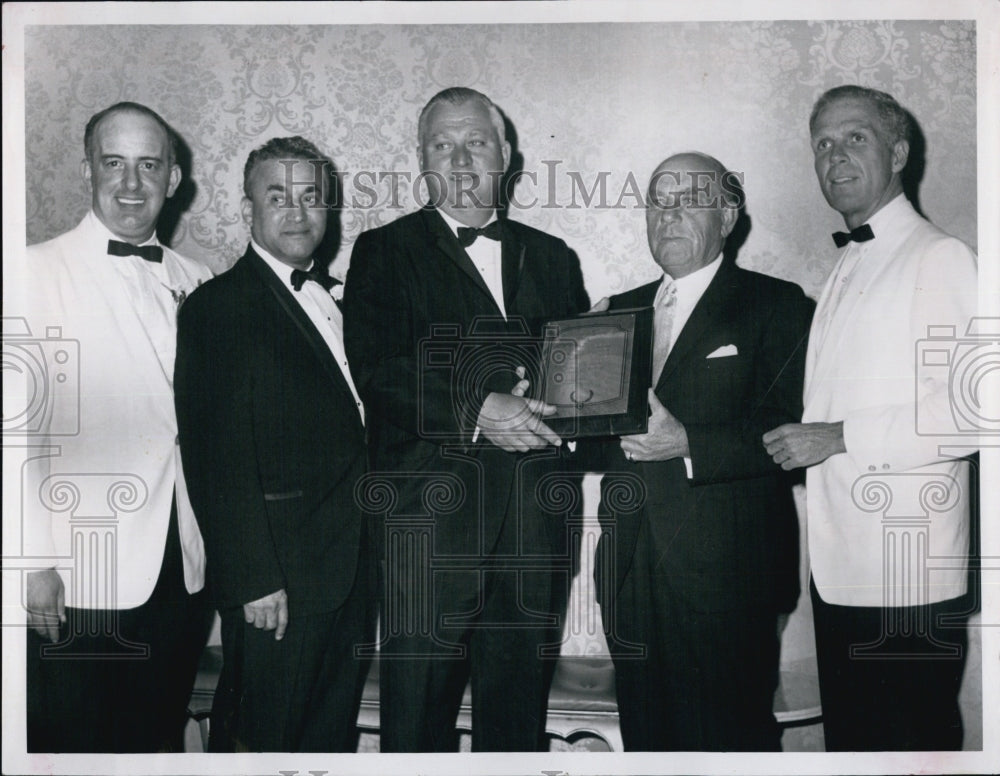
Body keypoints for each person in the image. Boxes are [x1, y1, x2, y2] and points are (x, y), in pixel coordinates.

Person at [343, 87, 589, 752]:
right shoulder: (382, 252)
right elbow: (381, 371)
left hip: (534, 532)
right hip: (427, 534)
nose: (459, 158)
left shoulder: (555, 257)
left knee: (516, 731)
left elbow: (578, 381)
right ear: (421, 160)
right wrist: (479, 409)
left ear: (505, 155)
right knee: (416, 729)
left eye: (475, 142)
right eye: (441, 145)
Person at [763, 85, 978, 751]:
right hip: (843, 573)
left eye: (854, 137)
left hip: (907, 575)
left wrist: (841, 437)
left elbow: (980, 410)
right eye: (822, 144)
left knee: (908, 753)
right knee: (857, 753)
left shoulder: (940, 256)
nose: (835, 156)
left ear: (900, 152)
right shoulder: (850, 262)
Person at [593, 152, 814, 751]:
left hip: (729, 575)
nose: (669, 215)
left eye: (689, 200)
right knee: (646, 743)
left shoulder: (778, 305)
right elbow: (592, 442)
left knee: (729, 743)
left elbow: (794, 430)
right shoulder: (614, 311)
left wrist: (688, 443)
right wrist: (547, 400)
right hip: (628, 568)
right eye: (658, 202)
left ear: (727, 216)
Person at [18, 101, 213, 752]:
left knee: (152, 746)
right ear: (87, 171)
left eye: (148, 165)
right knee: (70, 748)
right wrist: (33, 560)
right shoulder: (32, 271)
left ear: (173, 179)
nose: (131, 185)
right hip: (78, 570)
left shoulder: (199, 280)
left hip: (178, 569)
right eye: (114, 163)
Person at [174, 136, 375, 752]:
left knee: (326, 740)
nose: (297, 212)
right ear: (248, 210)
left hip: (347, 569)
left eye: (311, 197)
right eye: (278, 196)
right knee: (268, 742)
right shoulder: (220, 305)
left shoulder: (340, 298)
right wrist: (255, 578)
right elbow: (214, 453)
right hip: (278, 584)